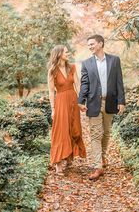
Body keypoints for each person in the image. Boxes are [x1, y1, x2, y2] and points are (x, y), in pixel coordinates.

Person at [78, 34, 125, 180]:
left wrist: (121, 101)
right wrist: (81, 100)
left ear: (101, 43)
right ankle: (98, 166)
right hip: (93, 102)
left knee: (106, 132)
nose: (90, 46)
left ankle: (103, 156)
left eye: (92, 44)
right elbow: (84, 84)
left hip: (110, 101)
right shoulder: (86, 63)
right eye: (89, 45)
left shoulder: (114, 60)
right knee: (95, 134)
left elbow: (119, 82)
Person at [47, 44, 86, 174]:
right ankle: (58, 162)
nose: (68, 54)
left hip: (73, 100)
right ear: (59, 54)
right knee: (61, 131)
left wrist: (81, 101)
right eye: (66, 52)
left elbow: (78, 85)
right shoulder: (52, 71)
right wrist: (53, 109)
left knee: (75, 130)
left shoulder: (72, 67)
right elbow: (51, 92)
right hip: (61, 102)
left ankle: (69, 156)